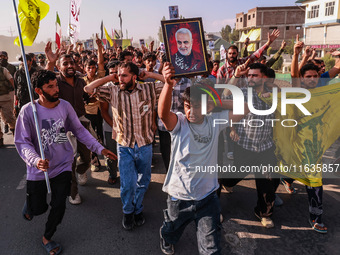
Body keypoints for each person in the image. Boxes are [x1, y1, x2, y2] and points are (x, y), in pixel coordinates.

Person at [15, 70, 116, 255]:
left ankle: (47, 236)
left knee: (59, 204)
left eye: (56, 85)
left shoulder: (65, 106)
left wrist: (99, 148)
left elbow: (79, 130)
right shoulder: (28, 111)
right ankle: (31, 205)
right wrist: (36, 160)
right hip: (39, 169)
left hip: (62, 164)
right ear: (38, 90)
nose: (56, 90)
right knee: (38, 208)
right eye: (50, 87)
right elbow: (22, 142)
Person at [158, 62, 247, 255]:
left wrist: (216, 102)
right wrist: (167, 84)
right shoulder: (180, 122)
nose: (191, 111)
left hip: (207, 197)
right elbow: (163, 114)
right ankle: (166, 238)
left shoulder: (215, 121)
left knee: (211, 247)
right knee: (172, 229)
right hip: (178, 196)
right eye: (188, 106)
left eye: (198, 107)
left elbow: (245, 108)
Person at [85, 62, 165, 230]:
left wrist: (149, 74)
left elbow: (170, 83)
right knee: (127, 184)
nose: (120, 78)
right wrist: (110, 77)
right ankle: (128, 212)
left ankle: (137, 209)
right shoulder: (112, 90)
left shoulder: (149, 89)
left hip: (145, 144)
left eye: (124, 75)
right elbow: (88, 89)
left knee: (143, 182)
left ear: (135, 77)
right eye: (119, 75)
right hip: (124, 145)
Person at [45, 42, 93, 205]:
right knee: (67, 160)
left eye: (72, 62)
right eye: (65, 63)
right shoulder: (55, 81)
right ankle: (73, 193)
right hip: (60, 128)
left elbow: (87, 97)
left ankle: (81, 170)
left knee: (87, 156)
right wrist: (50, 63)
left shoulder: (81, 81)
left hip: (81, 123)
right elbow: (42, 82)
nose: (70, 65)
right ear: (59, 67)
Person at [0, 65, 16, 147]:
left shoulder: (3, 70)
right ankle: (0, 139)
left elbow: (11, 80)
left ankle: (16, 136)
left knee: (10, 118)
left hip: (5, 98)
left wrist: (14, 92)